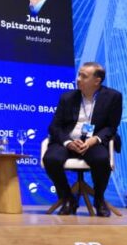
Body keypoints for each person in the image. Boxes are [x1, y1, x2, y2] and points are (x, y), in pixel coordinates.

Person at [42, 62, 122, 217]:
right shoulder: (67, 97)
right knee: (51, 159)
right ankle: (68, 198)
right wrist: (68, 142)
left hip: (92, 143)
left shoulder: (113, 97)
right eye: (79, 75)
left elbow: (111, 127)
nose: (78, 79)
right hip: (68, 142)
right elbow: (55, 127)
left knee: (101, 159)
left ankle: (99, 200)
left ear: (97, 81)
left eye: (83, 76)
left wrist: (94, 140)